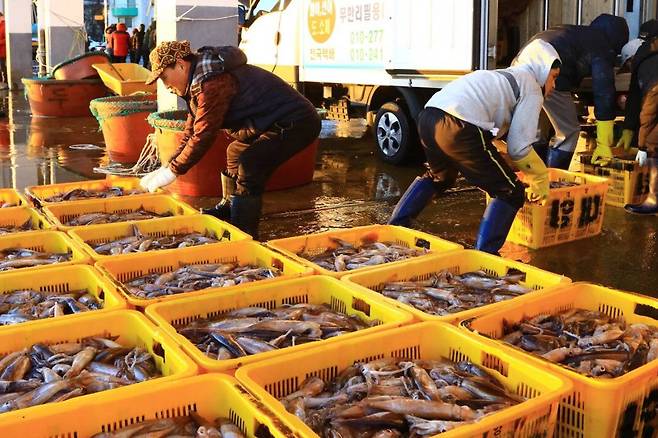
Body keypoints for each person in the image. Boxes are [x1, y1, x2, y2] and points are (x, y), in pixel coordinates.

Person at [388, 39, 561, 255]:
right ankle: (485, 257)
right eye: (553, 77)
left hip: (429, 117)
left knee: (440, 177)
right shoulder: (532, 87)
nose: (554, 86)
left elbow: (504, 135)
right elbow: (519, 148)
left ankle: (395, 227)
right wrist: (540, 176)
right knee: (510, 191)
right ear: (541, 70)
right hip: (459, 125)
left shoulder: (506, 76)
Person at [139, 41, 321, 239]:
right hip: (266, 122)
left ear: (181, 65)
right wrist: (168, 165)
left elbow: (203, 135)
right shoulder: (199, 82)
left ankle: (244, 230)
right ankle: (229, 207)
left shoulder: (212, 82)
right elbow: (191, 131)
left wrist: (173, 171)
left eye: (164, 77)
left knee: (251, 162)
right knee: (235, 152)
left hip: (296, 121)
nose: (165, 86)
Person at [514, 14, 629, 169]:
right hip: (549, 74)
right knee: (568, 132)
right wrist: (603, 142)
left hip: (520, 66)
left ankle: (531, 177)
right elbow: (604, 91)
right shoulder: (601, 45)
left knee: (538, 131)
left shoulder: (575, 33)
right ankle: (554, 179)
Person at [616, 32, 658, 214]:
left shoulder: (648, 69)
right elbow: (635, 101)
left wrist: (642, 146)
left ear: (632, 59)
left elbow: (649, 113)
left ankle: (654, 200)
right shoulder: (651, 60)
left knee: (653, 145)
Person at [0, 13, 6, 90]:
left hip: (2, 51)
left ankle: (5, 82)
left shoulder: (4, 26)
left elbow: (6, 39)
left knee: (2, 67)